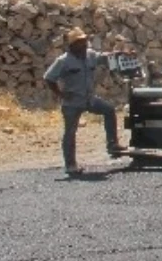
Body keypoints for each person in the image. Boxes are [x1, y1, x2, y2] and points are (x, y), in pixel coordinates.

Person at [43, 27, 129, 177]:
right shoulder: (63, 61)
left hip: (89, 100)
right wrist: (61, 94)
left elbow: (104, 58)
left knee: (109, 110)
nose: (84, 44)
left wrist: (120, 54)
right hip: (72, 103)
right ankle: (70, 166)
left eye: (85, 41)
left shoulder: (89, 55)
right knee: (70, 133)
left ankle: (112, 145)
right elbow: (49, 78)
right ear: (72, 45)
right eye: (80, 42)